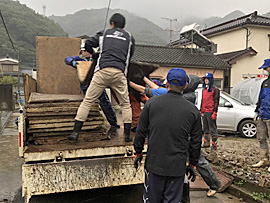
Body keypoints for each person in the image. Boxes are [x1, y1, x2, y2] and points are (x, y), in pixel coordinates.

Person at [130, 74, 220, 200]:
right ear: (185, 86)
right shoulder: (193, 110)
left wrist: (138, 152)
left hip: (154, 165)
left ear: (166, 85)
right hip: (177, 168)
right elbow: (196, 141)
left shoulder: (151, 104)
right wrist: (192, 164)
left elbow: (140, 132)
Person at [68, 13, 135, 142]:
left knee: (87, 101)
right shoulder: (130, 37)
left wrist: (94, 55)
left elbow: (88, 43)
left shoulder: (104, 33)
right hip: (119, 72)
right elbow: (129, 55)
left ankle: (75, 133)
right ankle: (127, 136)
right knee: (126, 105)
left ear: (112, 24)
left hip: (102, 71)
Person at [64, 43, 119, 129]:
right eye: (84, 51)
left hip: (99, 85)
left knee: (106, 104)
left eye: (88, 51)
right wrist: (73, 62)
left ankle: (113, 123)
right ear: (81, 51)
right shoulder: (79, 59)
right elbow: (67, 59)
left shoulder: (95, 60)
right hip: (86, 87)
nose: (86, 52)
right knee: (89, 106)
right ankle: (86, 125)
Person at [252, 59, 270, 172]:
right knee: (261, 138)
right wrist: (257, 111)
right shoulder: (265, 82)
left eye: (266, 68)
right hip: (263, 114)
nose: (264, 70)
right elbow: (260, 98)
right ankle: (264, 159)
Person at [200, 73, 220, 150]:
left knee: (212, 128)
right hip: (204, 111)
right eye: (205, 79)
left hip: (211, 111)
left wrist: (215, 112)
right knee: (205, 128)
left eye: (207, 79)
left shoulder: (215, 90)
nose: (206, 80)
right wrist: (201, 110)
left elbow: (216, 101)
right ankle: (206, 142)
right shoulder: (204, 90)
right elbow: (203, 100)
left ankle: (214, 144)